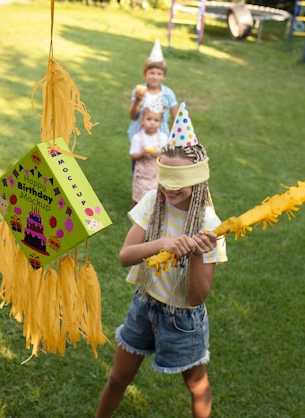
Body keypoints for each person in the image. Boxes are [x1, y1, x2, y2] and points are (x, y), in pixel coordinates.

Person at [96, 103, 228, 418]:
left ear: (197, 180)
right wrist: (162, 244)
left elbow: (196, 297)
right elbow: (125, 257)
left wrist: (196, 254)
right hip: (144, 305)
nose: (168, 187)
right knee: (117, 377)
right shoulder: (152, 203)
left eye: (178, 180)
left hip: (184, 321)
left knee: (196, 386)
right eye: (164, 178)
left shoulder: (210, 226)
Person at [127, 40, 178, 171]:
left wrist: (172, 140)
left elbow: (176, 117)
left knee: (160, 171)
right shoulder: (139, 90)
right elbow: (133, 116)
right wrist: (138, 101)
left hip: (160, 139)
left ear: (164, 76)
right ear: (145, 74)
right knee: (139, 168)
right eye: (151, 73)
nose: (155, 77)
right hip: (141, 137)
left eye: (159, 73)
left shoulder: (168, 94)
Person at [130, 104, 169, 207]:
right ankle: (136, 213)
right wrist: (142, 154)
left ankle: (154, 214)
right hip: (142, 174)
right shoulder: (137, 138)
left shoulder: (163, 137)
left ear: (161, 123)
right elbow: (133, 156)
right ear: (142, 120)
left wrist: (158, 154)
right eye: (148, 119)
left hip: (156, 174)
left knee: (156, 196)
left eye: (156, 120)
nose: (152, 123)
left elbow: (166, 155)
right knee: (139, 194)